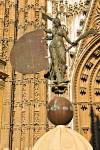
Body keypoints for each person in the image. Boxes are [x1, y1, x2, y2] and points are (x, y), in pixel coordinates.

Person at [44, 17, 77, 84]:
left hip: (60, 46)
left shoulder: (62, 30)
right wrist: (45, 32)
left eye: (56, 22)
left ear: (58, 22)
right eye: (54, 22)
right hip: (53, 46)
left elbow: (66, 38)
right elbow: (51, 34)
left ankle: (61, 77)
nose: (55, 23)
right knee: (55, 62)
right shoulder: (53, 29)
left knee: (63, 61)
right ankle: (59, 79)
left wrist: (71, 43)